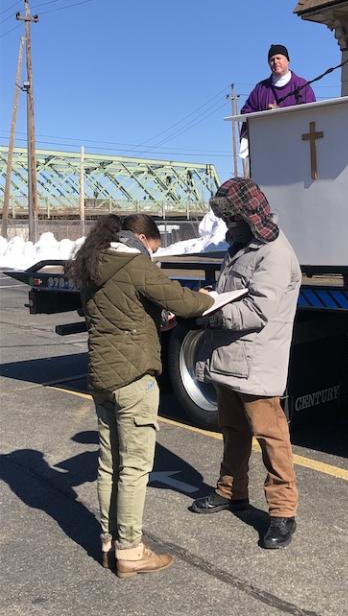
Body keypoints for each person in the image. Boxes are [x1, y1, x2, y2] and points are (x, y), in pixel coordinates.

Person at [67, 214, 213, 578]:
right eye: (154, 247)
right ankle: (130, 550)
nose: (153, 253)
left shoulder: (90, 264)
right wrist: (206, 297)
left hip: (101, 374)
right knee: (134, 468)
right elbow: (184, 302)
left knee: (108, 464)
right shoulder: (133, 263)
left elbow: (105, 311)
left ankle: (108, 542)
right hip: (133, 375)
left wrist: (150, 315)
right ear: (142, 238)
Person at [191, 177, 301, 549]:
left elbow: (257, 309)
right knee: (233, 430)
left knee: (272, 438)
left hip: (256, 362)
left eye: (231, 217)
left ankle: (283, 512)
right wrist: (211, 299)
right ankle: (230, 490)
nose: (226, 224)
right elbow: (234, 295)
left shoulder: (274, 252)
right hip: (230, 358)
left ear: (248, 214)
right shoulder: (242, 246)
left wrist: (210, 311)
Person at [240, 44, 316, 143]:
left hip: (297, 142)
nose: (275, 62)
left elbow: (311, 113)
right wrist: (265, 116)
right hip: (267, 143)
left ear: (288, 60)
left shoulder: (302, 86)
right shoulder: (261, 89)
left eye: (278, 58)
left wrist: (281, 114)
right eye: (272, 60)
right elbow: (246, 112)